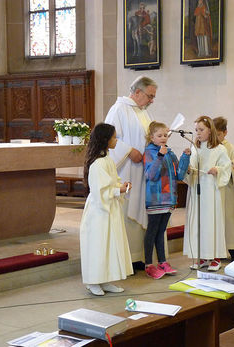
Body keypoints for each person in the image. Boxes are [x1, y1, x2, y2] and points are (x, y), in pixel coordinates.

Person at [105, 76, 157, 267]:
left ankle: (140, 257)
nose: (151, 101)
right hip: (127, 170)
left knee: (141, 210)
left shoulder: (143, 112)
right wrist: (129, 151)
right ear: (137, 92)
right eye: (150, 96)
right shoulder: (119, 109)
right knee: (128, 211)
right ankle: (127, 259)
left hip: (143, 170)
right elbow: (109, 138)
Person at [80, 123, 133, 296]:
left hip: (109, 208)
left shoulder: (107, 159)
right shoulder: (98, 164)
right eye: (114, 137)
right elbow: (99, 191)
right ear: (105, 140)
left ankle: (105, 279)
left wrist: (121, 185)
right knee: (98, 245)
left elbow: (112, 181)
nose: (116, 140)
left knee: (108, 245)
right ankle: (92, 281)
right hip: (99, 211)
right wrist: (119, 190)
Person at [143, 121, 191, 279]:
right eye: (159, 135)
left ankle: (162, 262)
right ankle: (149, 264)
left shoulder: (169, 153)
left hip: (169, 198)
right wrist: (159, 156)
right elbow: (151, 175)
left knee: (161, 231)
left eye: (165, 135)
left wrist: (185, 157)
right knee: (152, 230)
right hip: (156, 199)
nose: (163, 138)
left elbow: (179, 175)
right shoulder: (150, 152)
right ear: (152, 137)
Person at [183, 116, 231, 271]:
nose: (198, 133)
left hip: (211, 190)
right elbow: (189, 168)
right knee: (198, 223)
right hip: (197, 190)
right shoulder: (195, 149)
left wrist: (217, 169)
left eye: (201, 130)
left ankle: (216, 258)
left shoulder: (220, 149)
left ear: (210, 130)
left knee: (212, 223)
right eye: (196, 130)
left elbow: (226, 167)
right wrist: (188, 169)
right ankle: (201, 256)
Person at [213, 116, 234, 261]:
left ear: (225, 132)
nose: (216, 137)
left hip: (227, 189)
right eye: (214, 134)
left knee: (228, 219)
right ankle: (216, 250)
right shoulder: (209, 147)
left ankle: (232, 249)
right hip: (213, 189)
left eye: (218, 134)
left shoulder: (232, 149)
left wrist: (229, 168)